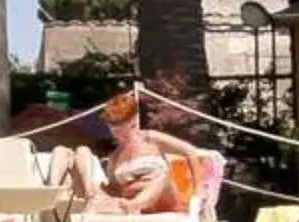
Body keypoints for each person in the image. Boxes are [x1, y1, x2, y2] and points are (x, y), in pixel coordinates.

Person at [79, 92, 209, 215]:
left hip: (166, 200)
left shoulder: (151, 139)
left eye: (124, 131)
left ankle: (135, 204)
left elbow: (191, 152)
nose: (120, 137)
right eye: (115, 132)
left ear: (134, 121)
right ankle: (133, 205)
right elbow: (116, 190)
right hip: (137, 206)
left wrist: (198, 190)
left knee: (162, 174)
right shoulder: (115, 157)